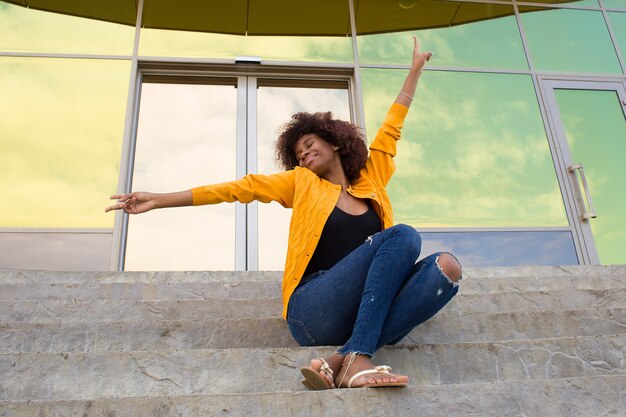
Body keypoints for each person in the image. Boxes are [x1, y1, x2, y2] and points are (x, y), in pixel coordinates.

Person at [105, 36, 462, 390]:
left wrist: (414, 70)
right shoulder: (302, 182)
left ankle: (343, 358)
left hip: (359, 312)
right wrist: (160, 199)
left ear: (335, 142)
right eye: (298, 154)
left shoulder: (372, 179)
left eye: (309, 146)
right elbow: (237, 189)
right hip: (313, 308)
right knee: (405, 235)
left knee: (446, 269)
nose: (304, 155)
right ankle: (355, 359)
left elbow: (391, 128)